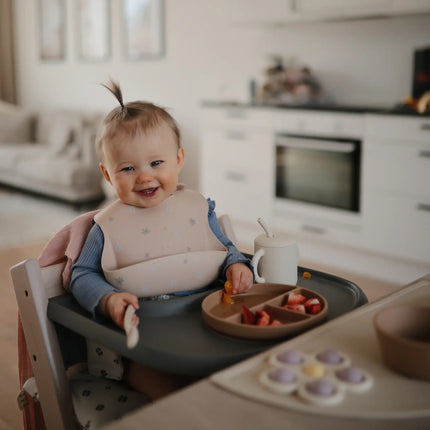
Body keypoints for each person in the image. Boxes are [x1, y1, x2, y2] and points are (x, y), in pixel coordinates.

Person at [70, 80, 254, 398]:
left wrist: (237, 265)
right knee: (173, 390)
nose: (144, 176)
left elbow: (223, 248)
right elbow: (81, 274)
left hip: (207, 319)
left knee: (244, 370)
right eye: (127, 168)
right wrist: (108, 299)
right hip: (145, 335)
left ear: (179, 158)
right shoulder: (107, 226)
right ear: (107, 174)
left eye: (156, 163)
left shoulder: (197, 208)